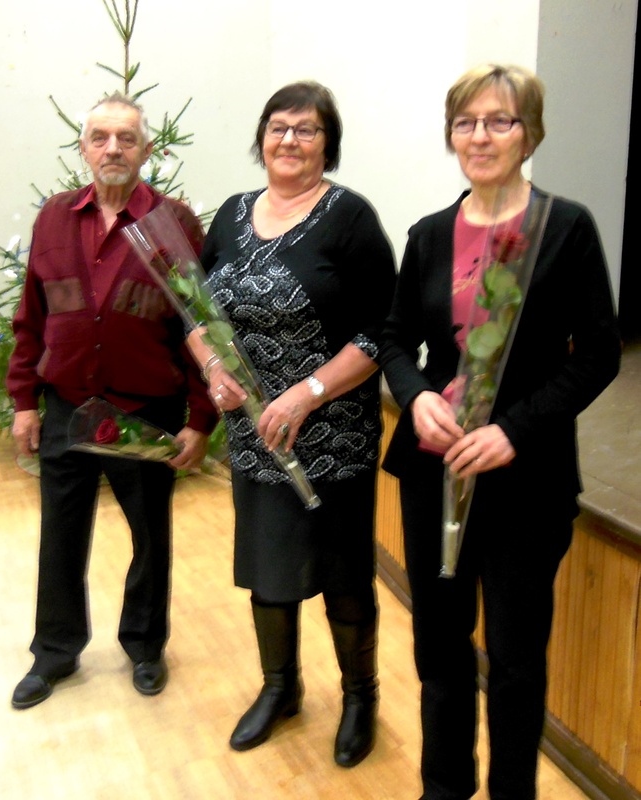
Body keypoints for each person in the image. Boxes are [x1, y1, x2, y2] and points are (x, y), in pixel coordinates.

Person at [381, 64, 621, 799]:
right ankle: (444, 788)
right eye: (466, 123)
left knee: (516, 659)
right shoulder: (429, 235)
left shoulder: (564, 229)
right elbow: (394, 340)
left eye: (499, 121)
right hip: (435, 468)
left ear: (529, 135)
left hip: (525, 475)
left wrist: (514, 430)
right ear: (451, 134)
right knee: (439, 645)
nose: (480, 137)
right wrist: (415, 396)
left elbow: (599, 355)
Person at [188, 81, 396, 767]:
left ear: (326, 144)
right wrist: (211, 368)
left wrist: (307, 393)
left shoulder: (349, 217)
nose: (289, 140)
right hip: (255, 438)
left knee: (342, 574)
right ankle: (281, 688)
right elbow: (194, 307)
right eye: (278, 127)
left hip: (332, 436)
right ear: (261, 137)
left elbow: (382, 332)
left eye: (306, 130)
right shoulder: (231, 213)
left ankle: (360, 696)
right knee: (267, 566)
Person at [7, 92, 218, 710]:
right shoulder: (54, 218)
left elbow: (200, 325)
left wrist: (201, 418)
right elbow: (31, 316)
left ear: (146, 149)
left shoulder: (175, 223)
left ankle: (146, 646)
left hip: (146, 410)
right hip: (67, 405)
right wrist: (24, 401)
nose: (113, 149)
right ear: (83, 149)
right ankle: (55, 651)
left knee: (150, 535)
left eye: (126, 138)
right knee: (60, 535)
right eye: (100, 137)